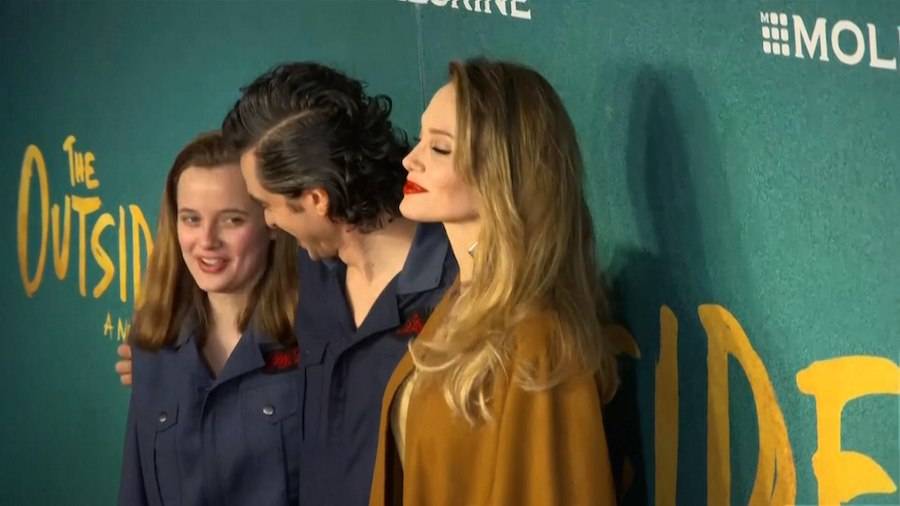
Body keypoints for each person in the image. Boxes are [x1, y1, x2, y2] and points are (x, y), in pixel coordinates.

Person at [368, 59, 619, 505]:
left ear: (504, 172)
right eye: (421, 139)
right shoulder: (462, 302)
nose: (410, 159)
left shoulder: (539, 341)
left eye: (439, 148)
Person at [222, 62, 457, 506]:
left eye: (267, 204)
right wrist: (165, 362)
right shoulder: (306, 273)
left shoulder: (461, 289)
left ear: (316, 200)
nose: (268, 222)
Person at [118, 131, 300, 505]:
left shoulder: (316, 338)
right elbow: (136, 491)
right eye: (191, 219)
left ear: (271, 223)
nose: (206, 240)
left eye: (231, 220)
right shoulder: (153, 341)